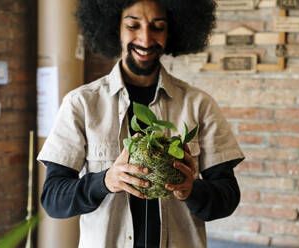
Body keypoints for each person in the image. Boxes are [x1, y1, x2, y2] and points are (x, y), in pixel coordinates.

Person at [38, 0, 245, 247]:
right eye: (133, 26)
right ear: (116, 29)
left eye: (158, 27)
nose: (146, 39)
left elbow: (228, 197)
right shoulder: (81, 104)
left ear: (171, 32)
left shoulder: (199, 105)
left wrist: (192, 190)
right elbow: (53, 199)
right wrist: (105, 181)